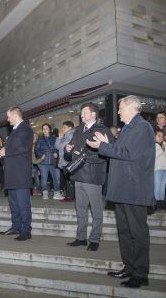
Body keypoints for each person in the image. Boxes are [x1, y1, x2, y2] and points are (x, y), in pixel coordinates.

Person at [87, 95, 155, 288]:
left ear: (132, 108)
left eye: (120, 108)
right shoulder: (129, 128)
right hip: (123, 188)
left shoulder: (142, 127)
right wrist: (105, 144)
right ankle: (129, 267)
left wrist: (103, 145)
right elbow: (119, 151)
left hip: (134, 188)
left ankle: (141, 274)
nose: (118, 112)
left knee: (137, 232)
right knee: (124, 231)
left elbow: (128, 154)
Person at [65, 103, 113, 251]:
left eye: (85, 112)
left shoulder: (102, 130)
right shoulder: (78, 130)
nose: (82, 115)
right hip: (78, 174)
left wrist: (84, 157)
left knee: (96, 210)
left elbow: (108, 152)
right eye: (81, 113)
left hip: (93, 175)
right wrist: (68, 150)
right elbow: (71, 153)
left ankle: (95, 239)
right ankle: (81, 237)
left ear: (93, 114)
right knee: (80, 208)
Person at [0, 106, 34, 241]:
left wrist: (7, 151)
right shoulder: (14, 131)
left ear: (15, 115)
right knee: (14, 203)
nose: (7, 119)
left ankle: (26, 231)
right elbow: (13, 148)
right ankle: (16, 226)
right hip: (12, 173)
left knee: (23, 204)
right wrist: (3, 151)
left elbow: (24, 148)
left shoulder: (26, 129)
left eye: (8, 116)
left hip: (21, 174)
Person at [35, 123, 63, 200]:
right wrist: (41, 155)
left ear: (50, 130)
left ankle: (56, 193)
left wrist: (56, 153)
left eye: (46, 128)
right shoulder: (40, 139)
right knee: (44, 178)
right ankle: (45, 193)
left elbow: (58, 147)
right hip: (43, 162)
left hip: (53, 161)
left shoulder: (54, 138)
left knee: (56, 178)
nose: (45, 130)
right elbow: (36, 149)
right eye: (43, 129)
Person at [55, 121, 75, 202]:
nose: (62, 129)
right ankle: (70, 195)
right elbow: (56, 146)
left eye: (64, 127)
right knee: (68, 178)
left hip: (67, 161)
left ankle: (70, 196)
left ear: (69, 128)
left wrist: (59, 139)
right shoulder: (66, 135)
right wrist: (59, 138)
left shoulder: (70, 134)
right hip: (65, 160)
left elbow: (60, 146)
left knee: (69, 179)